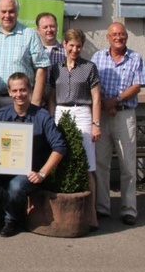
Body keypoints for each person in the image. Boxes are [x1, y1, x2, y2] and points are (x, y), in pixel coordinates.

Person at [0, 72, 66, 239]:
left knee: (17, 185)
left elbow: (59, 147)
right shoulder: (2, 114)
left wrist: (42, 173)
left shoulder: (42, 116)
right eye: (15, 90)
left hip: (31, 172)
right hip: (6, 166)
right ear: (9, 92)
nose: (19, 94)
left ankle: (11, 220)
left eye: (23, 90)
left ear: (30, 90)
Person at [0, 0, 50, 151]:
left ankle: (18, 176)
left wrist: (35, 100)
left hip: (20, 100)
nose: (7, 15)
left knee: (19, 145)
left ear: (17, 12)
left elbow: (42, 67)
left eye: (11, 11)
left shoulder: (29, 35)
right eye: (3, 11)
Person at [48, 28, 100, 230]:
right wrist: (53, 119)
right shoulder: (56, 68)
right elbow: (52, 96)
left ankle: (92, 213)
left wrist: (96, 124)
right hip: (61, 112)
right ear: (64, 45)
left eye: (78, 46)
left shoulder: (89, 67)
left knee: (88, 163)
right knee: (61, 157)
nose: (75, 49)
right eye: (71, 45)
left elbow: (96, 98)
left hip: (82, 113)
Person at [91, 22, 143, 225]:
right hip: (103, 114)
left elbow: (137, 85)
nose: (119, 37)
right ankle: (103, 207)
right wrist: (106, 102)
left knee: (127, 165)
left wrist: (116, 100)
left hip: (124, 114)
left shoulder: (136, 58)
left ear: (126, 37)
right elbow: (93, 84)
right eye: (115, 34)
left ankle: (129, 209)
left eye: (122, 34)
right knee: (101, 163)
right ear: (108, 37)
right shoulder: (98, 57)